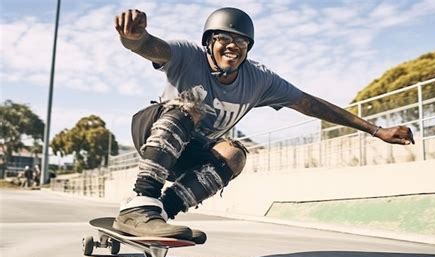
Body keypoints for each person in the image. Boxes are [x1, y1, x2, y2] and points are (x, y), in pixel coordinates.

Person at [113, 7, 414, 242]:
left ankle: (161, 213)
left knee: (234, 155)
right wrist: (134, 37)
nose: (233, 47)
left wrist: (375, 130)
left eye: (241, 42)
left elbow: (311, 104)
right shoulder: (188, 55)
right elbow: (150, 47)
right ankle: (141, 201)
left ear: (248, 48)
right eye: (225, 40)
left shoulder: (259, 80)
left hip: (187, 152)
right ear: (209, 43)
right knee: (190, 109)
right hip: (154, 131)